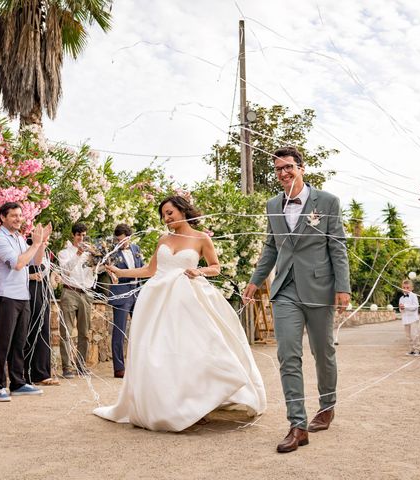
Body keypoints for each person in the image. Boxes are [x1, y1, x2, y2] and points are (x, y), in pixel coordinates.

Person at [93, 196, 266, 431]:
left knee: (191, 349)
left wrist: (199, 270)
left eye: (170, 212)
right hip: (155, 301)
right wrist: (120, 273)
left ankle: (199, 402)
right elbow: (150, 270)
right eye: (163, 214)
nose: (167, 218)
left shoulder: (201, 238)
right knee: (160, 352)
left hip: (186, 299)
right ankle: (168, 404)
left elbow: (216, 267)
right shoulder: (163, 239)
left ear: (183, 211)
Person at [243, 146, 351, 453]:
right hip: (285, 289)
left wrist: (342, 287)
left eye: (288, 167)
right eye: (278, 169)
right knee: (288, 355)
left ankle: (327, 405)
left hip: (319, 288)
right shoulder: (272, 205)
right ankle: (297, 425)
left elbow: (337, 247)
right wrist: (254, 281)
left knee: (323, 351)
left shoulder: (327, 202)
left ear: (301, 168)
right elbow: (271, 248)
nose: (283, 173)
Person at [0, 202, 51, 402]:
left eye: (20, 215)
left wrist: (40, 244)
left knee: (19, 342)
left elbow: (35, 262)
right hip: (5, 296)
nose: (18, 219)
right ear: (2, 218)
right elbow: (18, 264)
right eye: (13, 215)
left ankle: (18, 382)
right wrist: (34, 244)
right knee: (3, 343)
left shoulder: (19, 239)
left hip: (23, 296)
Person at [57, 223, 96, 378]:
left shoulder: (90, 254)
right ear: (73, 235)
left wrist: (101, 263)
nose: (81, 238)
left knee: (84, 333)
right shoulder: (64, 253)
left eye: (84, 235)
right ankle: (67, 367)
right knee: (66, 331)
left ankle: (81, 366)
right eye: (78, 235)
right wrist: (78, 253)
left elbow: (93, 273)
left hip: (86, 293)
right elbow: (65, 270)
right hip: (69, 292)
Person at [108, 224, 143, 378]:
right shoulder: (112, 252)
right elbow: (108, 268)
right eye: (118, 240)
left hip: (138, 292)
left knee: (140, 330)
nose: (120, 243)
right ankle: (119, 368)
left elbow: (141, 267)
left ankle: (139, 365)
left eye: (123, 240)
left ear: (129, 237)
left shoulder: (136, 249)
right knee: (120, 331)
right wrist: (112, 275)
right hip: (121, 293)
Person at [23, 241, 59, 386]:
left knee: (44, 330)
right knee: (34, 329)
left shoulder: (46, 255)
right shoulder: (28, 250)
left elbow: (47, 275)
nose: (47, 241)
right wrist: (30, 276)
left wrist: (54, 279)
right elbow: (16, 268)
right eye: (45, 239)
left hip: (44, 291)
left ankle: (43, 372)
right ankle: (31, 372)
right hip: (32, 291)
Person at [399, 279, 420, 356]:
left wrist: (405, 306)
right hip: (405, 319)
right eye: (404, 287)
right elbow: (401, 310)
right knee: (408, 336)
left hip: (413, 319)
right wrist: (401, 308)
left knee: (414, 334)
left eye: (408, 287)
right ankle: (411, 349)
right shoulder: (401, 298)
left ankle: (417, 350)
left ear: (412, 288)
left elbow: (415, 307)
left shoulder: (413, 296)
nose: (405, 289)